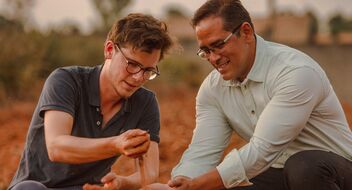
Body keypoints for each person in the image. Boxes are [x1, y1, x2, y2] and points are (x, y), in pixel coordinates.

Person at [148, 0, 352, 190]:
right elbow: (202, 152)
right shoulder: (213, 89)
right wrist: (180, 183)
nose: (213, 58)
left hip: (337, 171)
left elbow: (262, 150)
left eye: (219, 45)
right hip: (278, 171)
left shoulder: (295, 72)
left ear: (246, 32)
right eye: (205, 51)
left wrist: (198, 185)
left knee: (304, 167)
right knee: (228, 183)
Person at [9, 13, 173, 190]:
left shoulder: (145, 102)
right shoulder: (66, 81)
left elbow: (149, 174)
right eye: (132, 64)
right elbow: (57, 147)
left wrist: (120, 183)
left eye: (148, 70)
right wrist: (116, 143)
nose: (138, 78)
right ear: (109, 50)